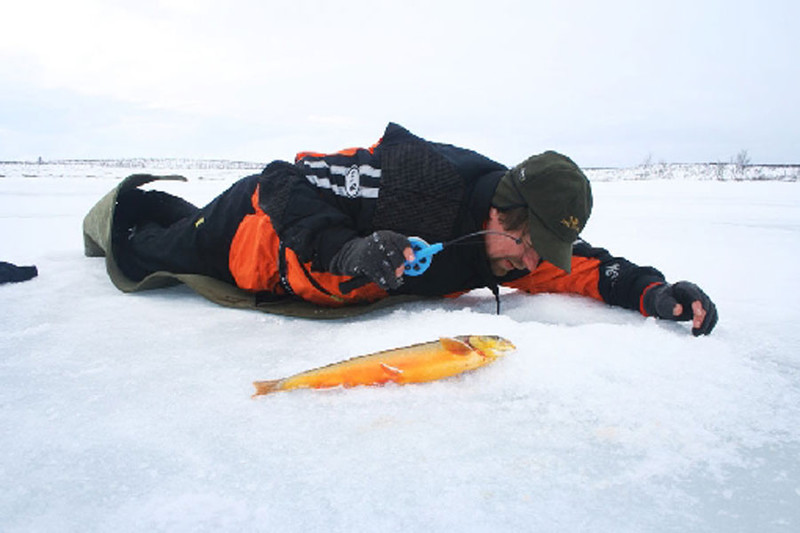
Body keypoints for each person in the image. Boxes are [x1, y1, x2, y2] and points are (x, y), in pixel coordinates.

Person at [88, 122, 717, 335]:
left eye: (540, 253)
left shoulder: (508, 248)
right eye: (528, 246)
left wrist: (652, 291)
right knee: (141, 252)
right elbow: (283, 179)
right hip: (244, 236)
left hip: (299, 279)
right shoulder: (416, 178)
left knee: (163, 234)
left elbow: (581, 265)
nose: (533, 266)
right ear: (501, 212)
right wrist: (352, 247)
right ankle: (121, 211)